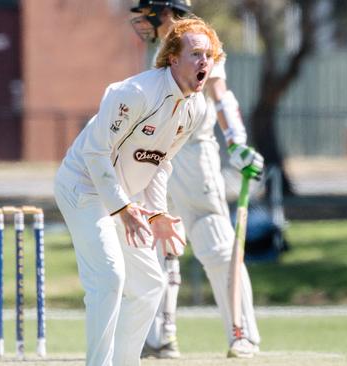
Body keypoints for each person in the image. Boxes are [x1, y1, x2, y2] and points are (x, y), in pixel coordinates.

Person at [55, 17, 242, 366]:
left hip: (123, 198)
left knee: (150, 284)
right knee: (110, 277)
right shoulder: (134, 93)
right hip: (81, 185)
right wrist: (124, 208)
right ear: (173, 57)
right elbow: (96, 153)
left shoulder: (196, 109)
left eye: (210, 56)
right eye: (196, 54)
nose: (205, 62)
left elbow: (160, 164)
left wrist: (155, 213)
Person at [130, 0, 263, 359]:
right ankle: (160, 336)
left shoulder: (200, 41)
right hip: (156, 154)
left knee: (214, 240)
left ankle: (242, 333)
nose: (142, 21)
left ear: (166, 11)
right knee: (158, 244)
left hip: (192, 154)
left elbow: (221, 97)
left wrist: (236, 143)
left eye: (147, 13)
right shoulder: (164, 49)